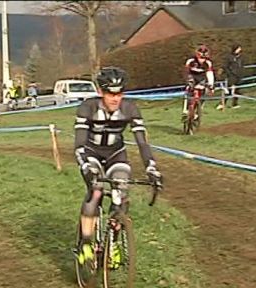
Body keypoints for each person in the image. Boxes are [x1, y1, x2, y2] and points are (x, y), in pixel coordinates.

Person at [73, 67, 162, 265]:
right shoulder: (87, 108)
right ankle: (86, 242)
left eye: (119, 93)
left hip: (115, 154)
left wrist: (151, 168)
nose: (115, 98)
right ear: (100, 92)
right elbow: (79, 146)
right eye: (110, 93)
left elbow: (142, 143)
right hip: (91, 153)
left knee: (121, 193)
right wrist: (86, 166)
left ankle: (113, 241)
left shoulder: (130, 109)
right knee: (96, 191)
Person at [183, 45, 215, 117]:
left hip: (201, 77)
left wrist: (211, 85)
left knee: (205, 91)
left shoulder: (208, 63)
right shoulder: (191, 61)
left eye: (204, 58)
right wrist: (188, 81)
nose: (202, 60)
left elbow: (210, 74)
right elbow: (186, 72)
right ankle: (185, 109)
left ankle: (199, 109)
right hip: (192, 76)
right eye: (200, 58)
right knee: (189, 89)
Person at [220, 44, 243, 109]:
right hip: (231, 76)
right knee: (228, 91)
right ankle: (222, 103)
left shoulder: (241, 57)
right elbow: (225, 66)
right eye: (238, 48)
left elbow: (242, 66)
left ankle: (235, 104)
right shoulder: (229, 57)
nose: (239, 50)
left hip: (239, 76)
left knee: (237, 91)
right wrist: (229, 74)